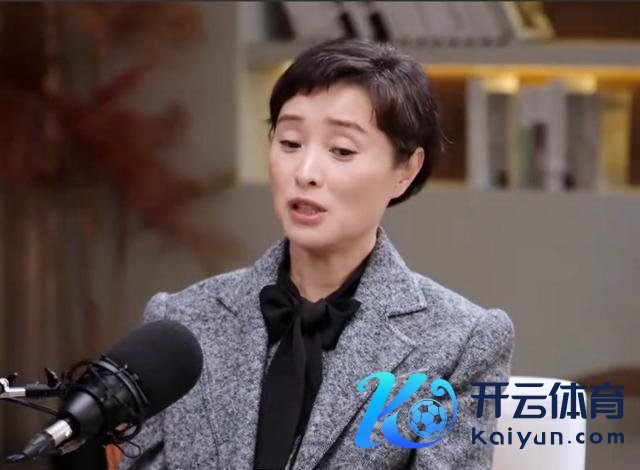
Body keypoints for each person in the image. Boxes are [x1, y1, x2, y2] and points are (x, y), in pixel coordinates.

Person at [119, 38, 514, 470]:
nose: (305, 173)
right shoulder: (181, 324)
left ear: (405, 170)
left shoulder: (460, 343)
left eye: (341, 150)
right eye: (290, 143)